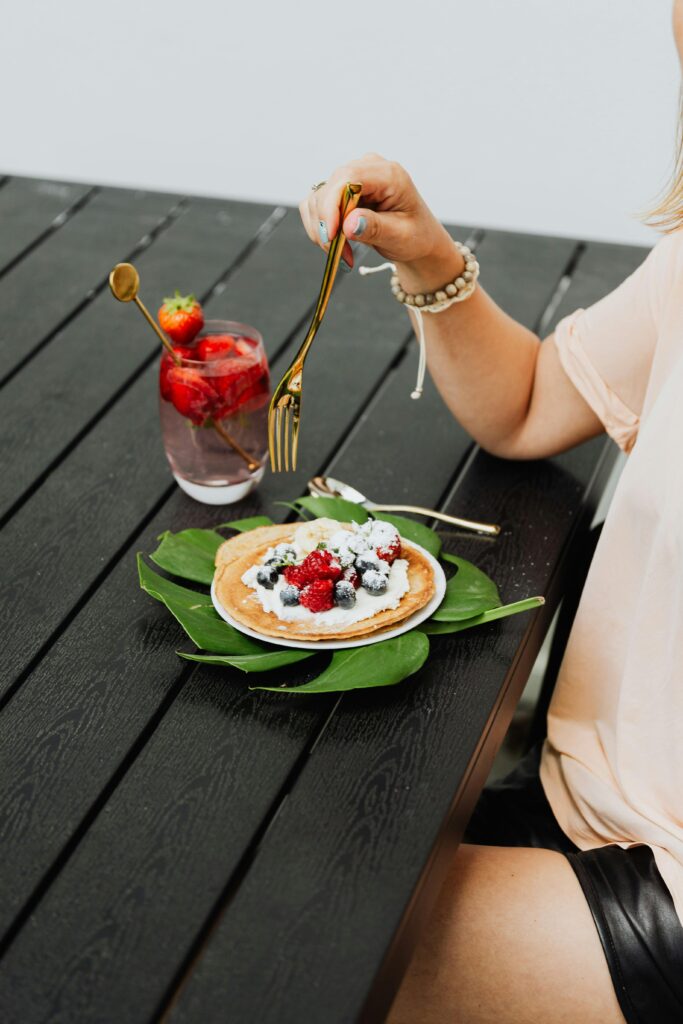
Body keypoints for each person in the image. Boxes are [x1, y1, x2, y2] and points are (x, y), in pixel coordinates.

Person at [298, 6, 683, 1023]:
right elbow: (527, 403)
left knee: (280, 939)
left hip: (665, 883)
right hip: (579, 797)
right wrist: (425, 254)